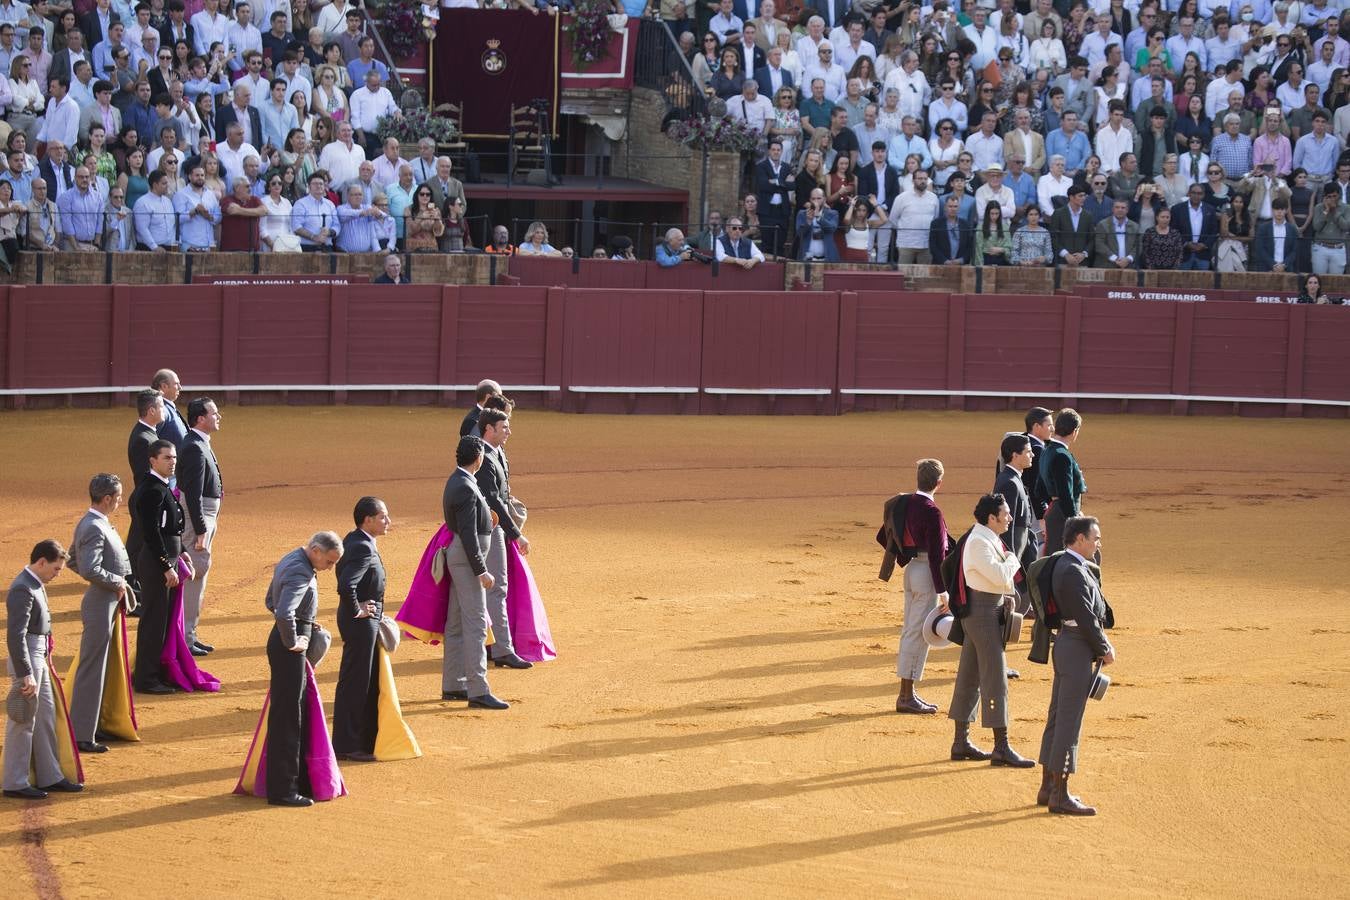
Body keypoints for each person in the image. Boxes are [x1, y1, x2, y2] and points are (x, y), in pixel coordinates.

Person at [946, 494, 1034, 767]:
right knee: (995, 676)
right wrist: (1012, 560)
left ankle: (961, 743)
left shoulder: (986, 538)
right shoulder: (978, 542)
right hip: (982, 613)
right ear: (991, 518)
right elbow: (1000, 575)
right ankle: (1001, 746)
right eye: (1005, 514)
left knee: (970, 675)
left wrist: (1007, 560)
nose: (1009, 518)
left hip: (986, 610)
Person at [1038, 516, 1115, 816]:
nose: (1098, 544)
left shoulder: (1065, 565)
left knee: (1058, 717)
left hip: (1067, 644)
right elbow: (1086, 616)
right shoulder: (1072, 570)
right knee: (1069, 721)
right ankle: (1060, 794)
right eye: (1095, 538)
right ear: (1079, 539)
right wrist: (1104, 648)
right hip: (1076, 645)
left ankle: (1048, 787)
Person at [331, 496, 417, 762]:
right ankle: (348, 745)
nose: (388, 521)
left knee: (362, 680)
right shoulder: (362, 548)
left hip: (363, 619)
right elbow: (346, 585)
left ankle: (360, 740)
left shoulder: (355, 541)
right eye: (383, 517)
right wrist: (358, 609)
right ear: (367, 520)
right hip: (361, 622)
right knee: (357, 682)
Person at [261, 531, 344, 807]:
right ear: (317, 550)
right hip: (288, 650)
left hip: (285, 641)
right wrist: (294, 639)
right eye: (329, 562)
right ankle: (283, 790)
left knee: (289, 713)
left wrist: (306, 621)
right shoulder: (301, 570)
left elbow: (270, 601)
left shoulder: (292, 558)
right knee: (289, 717)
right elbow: (284, 612)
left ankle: (289, 783)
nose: (330, 568)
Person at [4, 540, 82, 800]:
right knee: (23, 719)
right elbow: (15, 636)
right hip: (28, 654)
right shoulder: (22, 589)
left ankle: (50, 775)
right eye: (56, 569)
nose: (57, 574)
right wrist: (25, 671)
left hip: (38, 652)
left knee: (46, 714)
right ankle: (14, 782)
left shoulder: (34, 583)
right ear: (41, 562)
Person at [67, 474, 136, 753]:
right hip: (100, 601)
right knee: (93, 667)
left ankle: (94, 724)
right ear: (107, 499)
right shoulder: (94, 526)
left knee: (104, 665)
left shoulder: (95, 523)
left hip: (106, 600)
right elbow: (87, 568)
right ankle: (83, 733)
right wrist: (116, 581)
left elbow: (73, 559)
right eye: (118, 498)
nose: (120, 501)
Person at [442, 436, 508, 710]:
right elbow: (468, 533)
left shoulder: (458, 481)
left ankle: (455, 683)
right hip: (468, 559)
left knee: (457, 622)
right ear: (478, 457)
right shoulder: (466, 486)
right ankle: (478, 689)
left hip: (461, 555)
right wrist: (481, 569)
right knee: (477, 623)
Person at [130, 439, 191, 694]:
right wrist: (167, 566)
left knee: (161, 619)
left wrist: (183, 554)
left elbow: (170, 529)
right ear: (153, 460)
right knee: (154, 621)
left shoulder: (160, 486)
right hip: (157, 563)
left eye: (174, 457)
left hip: (164, 559)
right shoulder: (152, 489)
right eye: (167, 458)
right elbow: (151, 533)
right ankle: (146, 678)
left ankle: (153, 672)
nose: (172, 462)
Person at [475, 410, 533, 671]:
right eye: (504, 426)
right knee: (497, 588)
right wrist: (515, 532)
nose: (509, 431)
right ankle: (501, 648)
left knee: (494, 588)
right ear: (489, 429)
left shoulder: (496, 454)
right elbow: (494, 501)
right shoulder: (485, 458)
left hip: (495, 526)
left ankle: (491, 645)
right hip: (491, 528)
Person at [893, 458, 949, 715]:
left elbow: (885, 534)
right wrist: (943, 590)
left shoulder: (904, 502)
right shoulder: (931, 510)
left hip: (912, 568)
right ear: (939, 483)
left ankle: (908, 692)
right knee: (918, 633)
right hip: (927, 573)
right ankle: (906, 696)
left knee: (910, 631)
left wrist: (905, 552)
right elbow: (938, 555)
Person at [177, 397, 221, 657]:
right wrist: (202, 529)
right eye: (214, 413)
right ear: (200, 419)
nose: (219, 416)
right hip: (199, 516)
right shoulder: (194, 447)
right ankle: (185, 637)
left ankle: (189, 634)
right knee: (195, 574)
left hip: (204, 513)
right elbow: (192, 494)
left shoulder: (198, 443)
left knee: (198, 573)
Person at [1039, 408, 1087, 555]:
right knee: (1064, 555)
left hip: (1055, 511)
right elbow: (1065, 492)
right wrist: (1073, 519)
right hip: (1062, 513)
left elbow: (1039, 489)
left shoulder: (1047, 450)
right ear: (1074, 431)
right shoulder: (1062, 455)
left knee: (1054, 553)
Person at [1171, 183, 1218, 269]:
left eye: (1199, 193)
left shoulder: (1210, 209)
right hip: (1183, 254)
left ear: (1203, 195)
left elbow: (1214, 231)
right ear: (1189, 193)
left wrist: (1204, 245)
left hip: (1203, 254)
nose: (1196, 196)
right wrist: (1186, 244)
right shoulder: (1177, 209)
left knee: (1202, 281)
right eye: (1193, 193)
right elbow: (1174, 230)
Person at [1307, 183, 1350, 274]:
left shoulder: (1346, 208)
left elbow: (1346, 226)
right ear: (1325, 196)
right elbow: (1316, 227)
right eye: (1329, 196)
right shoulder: (1319, 207)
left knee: (1336, 281)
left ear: (1339, 195)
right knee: (1318, 278)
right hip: (1320, 247)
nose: (1332, 199)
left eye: (1334, 196)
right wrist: (1326, 211)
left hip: (1338, 248)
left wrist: (1335, 211)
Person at [1050, 182, 1094, 265]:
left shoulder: (1088, 215)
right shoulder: (1058, 213)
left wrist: (1084, 254)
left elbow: (1092, 239)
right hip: (1062, 261)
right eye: (1080, 196)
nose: (1083, 198)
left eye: (1084, 195)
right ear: (1071, 197)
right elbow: (1053, 237)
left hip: (1082, 262)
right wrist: (1065, 254)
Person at [1252, 198, 1296, 272]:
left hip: (1286, 269)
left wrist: (1284, 265)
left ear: (1286, 210)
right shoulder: (1263, 228)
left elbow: (1294, 251)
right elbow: (1260, 249)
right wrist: (1273, 264)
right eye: (1276, 209)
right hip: (1266, 268)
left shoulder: (1292, 229)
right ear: (1272, 210)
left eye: (1282, 209)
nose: (1279, 211)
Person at [929, 193, 973, 265]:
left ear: (959, 208)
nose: (953, 209)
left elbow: (970, 247)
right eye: (950, 206)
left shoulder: (966, 225)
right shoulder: (936, 224)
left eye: (955, 206)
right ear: (945, 207)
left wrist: (961, 260)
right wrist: (944, 261)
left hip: (960, 266)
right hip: (940, 265)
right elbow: (933, 246)